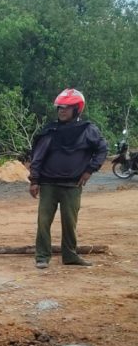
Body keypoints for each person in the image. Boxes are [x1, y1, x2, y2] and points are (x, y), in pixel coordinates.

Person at [28, 88, 107, 268]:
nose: (62, 111)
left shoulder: (88, 130)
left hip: (72, 185)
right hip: (48, 185)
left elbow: (102, 149)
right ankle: (42, 257)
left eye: (66, 107)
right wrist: (34, 181)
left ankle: (70, 256)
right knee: (43, 222)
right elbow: (37, 157)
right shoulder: (50, 131)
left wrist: (89, 170)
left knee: (70, 223)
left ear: (77, 109)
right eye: (60, 108)